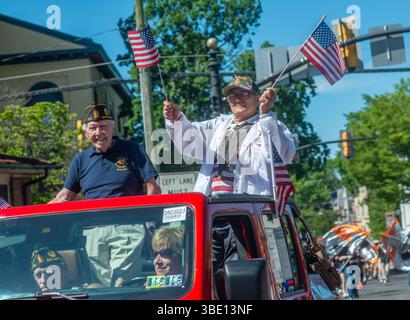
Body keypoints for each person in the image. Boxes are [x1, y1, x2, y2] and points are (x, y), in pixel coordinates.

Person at [49, 104, 161, 287]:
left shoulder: (131, 149)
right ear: (86, 134)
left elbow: (152, 187)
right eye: (93, 128)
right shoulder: (81, 160)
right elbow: (64, 196)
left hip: (128, 227)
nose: (98, 132)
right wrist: (26, 215)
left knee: (120, 284)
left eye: (103, 126)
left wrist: (149, 221)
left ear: (113, 128)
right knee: (100, 287)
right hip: (93, 231)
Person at [163, 75, 295, 196]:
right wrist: (176, 119)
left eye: (244, 94)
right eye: (232, 96)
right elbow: (189, 141)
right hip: (215, 209)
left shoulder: (271, 125)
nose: (237, 99)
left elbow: (282, 155)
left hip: (250, 210)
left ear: (258, 98)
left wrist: (265, 114)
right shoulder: (217, 125)